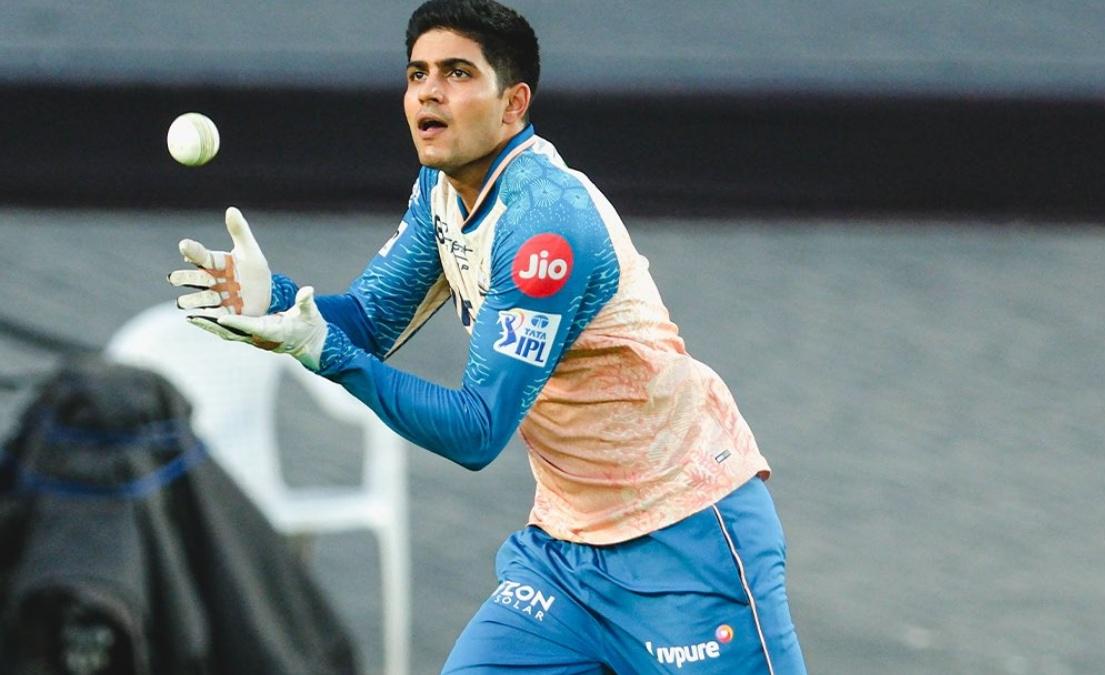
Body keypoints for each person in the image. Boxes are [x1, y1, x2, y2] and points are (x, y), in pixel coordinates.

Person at [167, 0, 807, 672]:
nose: (429, 92)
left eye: (458, 73)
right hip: (567, 554)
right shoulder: (441, 190)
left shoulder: (545, 224)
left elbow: (476, 430)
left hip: (685, 535)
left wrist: (320, 349)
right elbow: (368, 322)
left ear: (513, 104)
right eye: (417, 74)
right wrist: (274, 300)